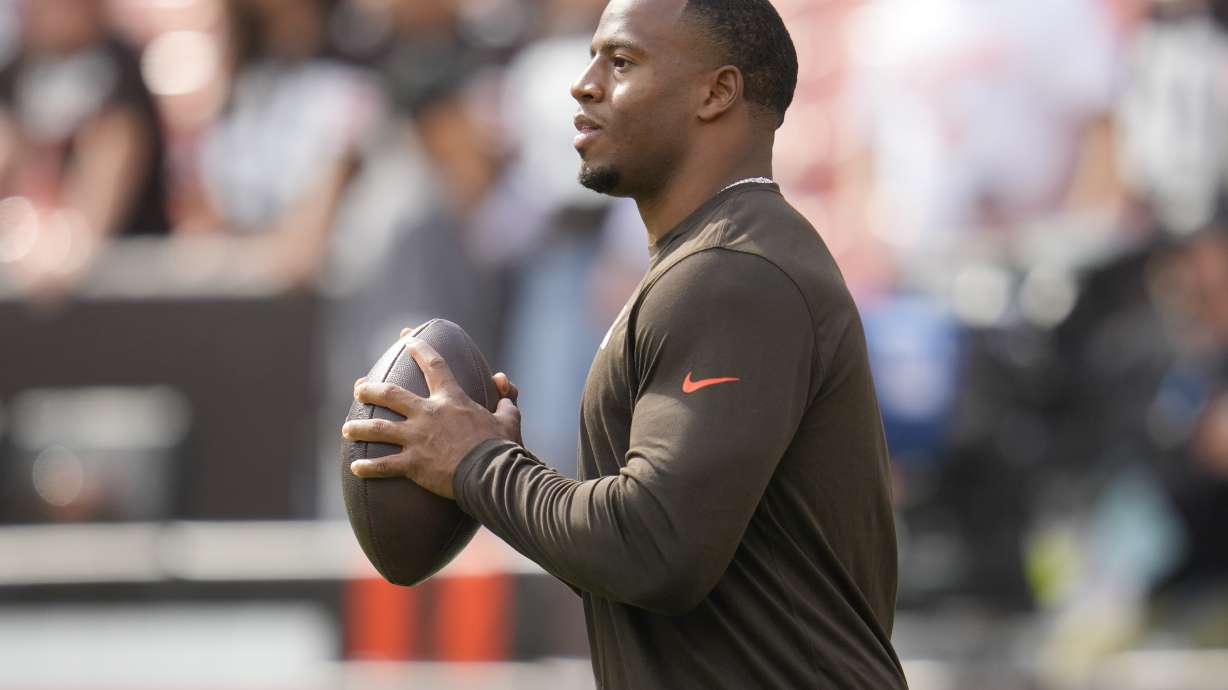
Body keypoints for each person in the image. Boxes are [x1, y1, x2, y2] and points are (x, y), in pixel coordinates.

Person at [342, 0, 907, 687]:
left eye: (622, 61)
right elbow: (660, 570)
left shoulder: (731, 273)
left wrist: (478, 463)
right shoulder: (713, 262)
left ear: (716, 91)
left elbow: (655, 550)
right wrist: (499, 474)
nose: (585, 85)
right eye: (591, 58)